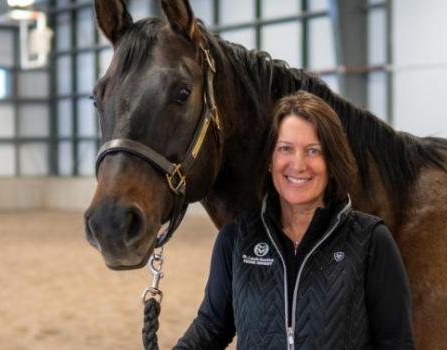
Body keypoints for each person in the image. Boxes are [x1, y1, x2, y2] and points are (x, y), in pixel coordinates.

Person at [175, 91, 414, 349]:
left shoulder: (370, 240)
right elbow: (212, 326)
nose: (298, 165)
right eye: (286, 149)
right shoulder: (236, 239)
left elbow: (396, 343)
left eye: (313, 151)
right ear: (270, 159)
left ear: (332, 162)